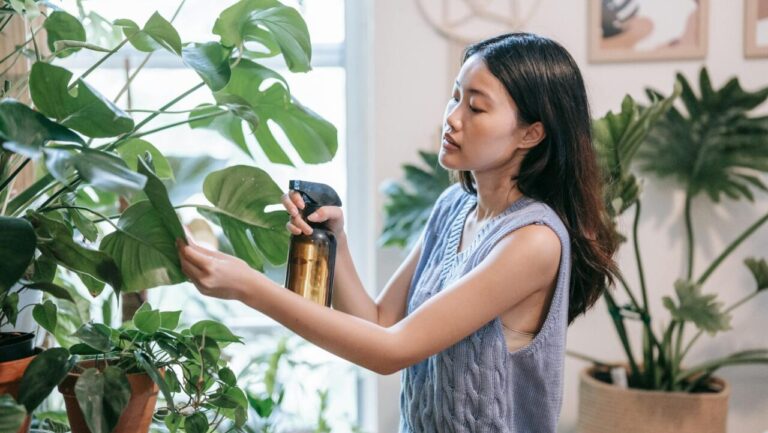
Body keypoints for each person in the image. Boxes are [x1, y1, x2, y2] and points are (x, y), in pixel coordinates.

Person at [177, 32, 619, 433]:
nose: (453, 118)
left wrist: (247, 287)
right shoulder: (453, 209)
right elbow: (379, 323)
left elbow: (391, 350)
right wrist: (337, 242)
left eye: (476, 107)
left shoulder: (533, 241)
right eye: (455, 97)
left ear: (531, 133)